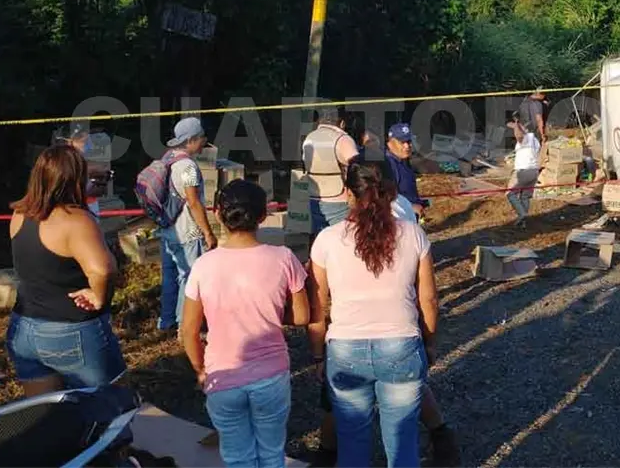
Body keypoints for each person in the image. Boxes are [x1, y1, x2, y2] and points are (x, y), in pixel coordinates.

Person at [309, 161, 439, 468]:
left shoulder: (327, 239)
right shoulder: (414, 234)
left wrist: (317, 355)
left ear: (348, 193)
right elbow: (429, 299)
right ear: (392, 192)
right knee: (403, 445)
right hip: (401, 344)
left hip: (344, 349)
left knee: (352, 447)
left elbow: (318, 305)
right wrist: (430, 343)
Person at [181, 180, 310, 468]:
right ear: (263, 216)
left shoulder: (203, 265)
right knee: (272, 453)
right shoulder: (284, 258)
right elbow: (302, 317)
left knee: (237, 456)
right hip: (271, 375)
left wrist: (200, 369)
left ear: (218, 215)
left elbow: (188, 331)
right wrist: (273, 313)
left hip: (222, 376)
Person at [6, 145, 125, 395]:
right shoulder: (77, 220)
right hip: (72, 330)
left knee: (46, 415)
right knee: (108, 407)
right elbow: (104, 270)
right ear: (75, 179)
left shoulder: (19, 214)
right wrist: (98, 296)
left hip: (25, 328)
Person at [159, 117, 216, 337]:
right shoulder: (188, 167)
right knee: (189, 278)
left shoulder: (168, 159)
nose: (204, 142)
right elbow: (193, 202)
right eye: (201, 138)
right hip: (187, 232)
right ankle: (185, 326)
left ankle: (166, 321)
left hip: (167, 229)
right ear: (191, 140)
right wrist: (208, 232)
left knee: (170, 277)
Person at [303, 107, 359, 233]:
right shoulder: (342, 139)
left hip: (314, 197)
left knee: (321, 239)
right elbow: (357, 169)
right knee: (343, 240)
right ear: (342, 123)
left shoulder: (309, 138)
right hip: (339, 200)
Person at [385, 123, 427, 217]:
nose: (407, 146)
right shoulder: (388, 165)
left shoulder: (403, 160)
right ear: (390, 142)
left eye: (409, 141)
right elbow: (385, 197)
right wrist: (411, 207)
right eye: (402, 142)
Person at [506, 116, 542, 227]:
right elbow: (521, 131)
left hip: (524, 172)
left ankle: (522, 214)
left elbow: (519, 135)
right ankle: (523, 223)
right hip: (534, 172)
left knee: (511, 194)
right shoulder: (535, 141)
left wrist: (516, 125)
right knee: (525, 196)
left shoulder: (527, 139)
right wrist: (515, 125)